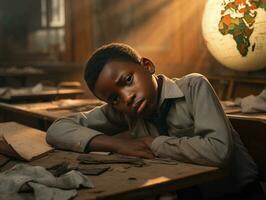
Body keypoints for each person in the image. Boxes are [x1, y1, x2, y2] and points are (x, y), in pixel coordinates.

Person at [47, 43, 264, 200]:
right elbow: (58, 129)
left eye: (128, 81)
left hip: (240, 193)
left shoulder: (194, 87)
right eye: (113, 98)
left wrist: (153, 143)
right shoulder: (124, 111)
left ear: (147, 66)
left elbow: (218, 151)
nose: (126, 97)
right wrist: (118, 144)